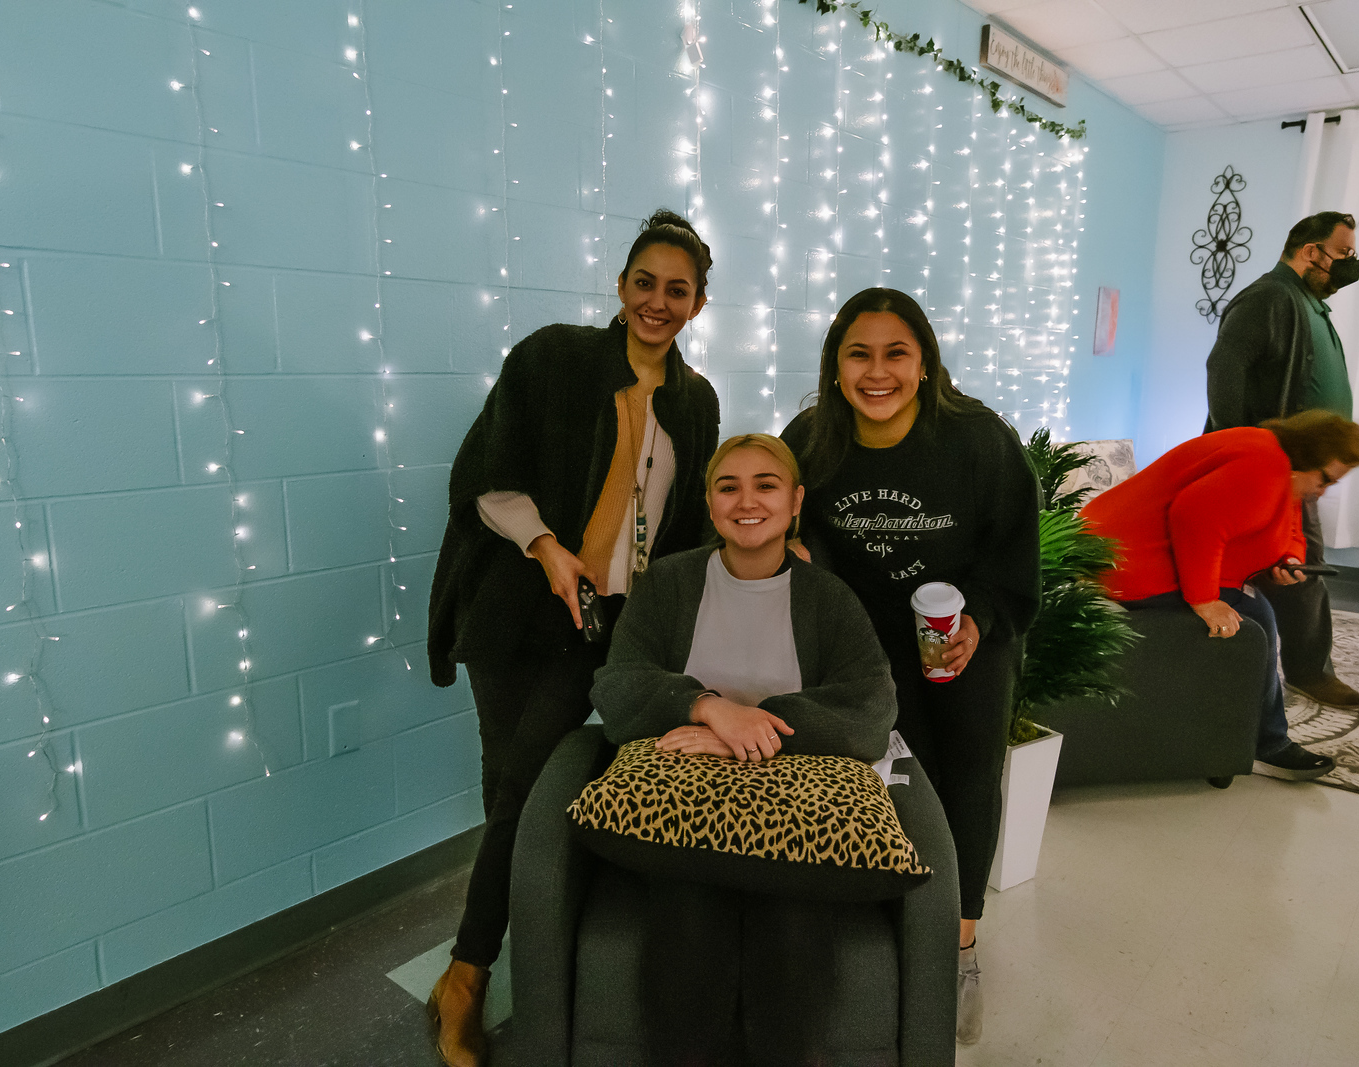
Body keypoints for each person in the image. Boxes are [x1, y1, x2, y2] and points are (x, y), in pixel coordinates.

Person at [423, 210, 720, 1067]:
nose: (657, 302)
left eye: (677, 290)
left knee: (522, 792)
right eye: (644, 283)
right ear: (620, 285)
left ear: (698, 303)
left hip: (604, 628)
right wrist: (548, 548)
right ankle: (488, 966)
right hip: (516, 611)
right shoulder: (551, 357)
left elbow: (686, 526)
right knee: (511, 788)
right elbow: (484, 473)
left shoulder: (695, 401)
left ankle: (479, 967)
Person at [780, 288, 1041, 1048]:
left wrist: (978, 620)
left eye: (896, 353)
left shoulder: (979, 442)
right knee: (873, 782)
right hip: (860, 651)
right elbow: (786, 526)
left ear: (924, 362)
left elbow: (1012, 554)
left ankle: (959, 949)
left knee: (964, 783)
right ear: (834, 366)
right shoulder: (811, 441)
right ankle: (879, 922)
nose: (877, 372)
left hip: (960, 646)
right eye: (858, 354)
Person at [591, 433, 898, 1066]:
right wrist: (709, 707)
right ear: (709, 503)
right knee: (687, 924)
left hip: (797, 815)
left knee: (792, 928)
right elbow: (615, 684)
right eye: (728, 487)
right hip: (683, 811)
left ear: (796, 501)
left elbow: (872, 708)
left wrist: (748, 732)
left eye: (766, 485)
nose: (747, 501)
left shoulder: (829, 598)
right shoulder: (668, 583)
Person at [1080, 410, 1359, 781]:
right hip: (1127, 561)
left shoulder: (1279, 462)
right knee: (1253, 623)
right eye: (1325, 479)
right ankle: (1260, 744)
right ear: (1306, 459)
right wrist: (1204, 600)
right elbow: (1193, 515)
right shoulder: (1263, 466)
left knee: (1256, 612)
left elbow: (1289, 524)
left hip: (1139, 552)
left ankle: (1239, 743)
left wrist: (1290, 559)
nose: (1323, 491)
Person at [1205, 211, 1359, 712]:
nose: (1350, 264)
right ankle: (1307, 672)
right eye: (1343, 254)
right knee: (1299, 566)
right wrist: (1241, 450)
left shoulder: (1307, 304)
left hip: (1296, 469)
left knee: (1295, 564)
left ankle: (1298, 667)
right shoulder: (1271, 297)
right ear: (1311, 251)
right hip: (1272, 466)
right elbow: (1225, 367)